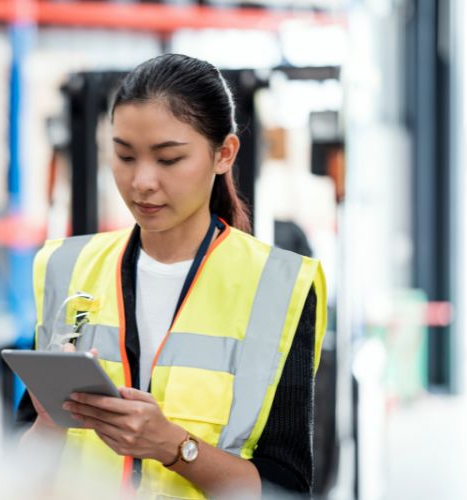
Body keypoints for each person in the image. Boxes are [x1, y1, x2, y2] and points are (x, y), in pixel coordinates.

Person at [18, 54, 326, 499]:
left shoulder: (278, 286)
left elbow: (287, 488)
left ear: (224, 154)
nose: (141, 181)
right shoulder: (67, 267)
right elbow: (22, 463)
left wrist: (172, 447)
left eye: (168, 159)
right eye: (124, 155)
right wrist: (47, 428)